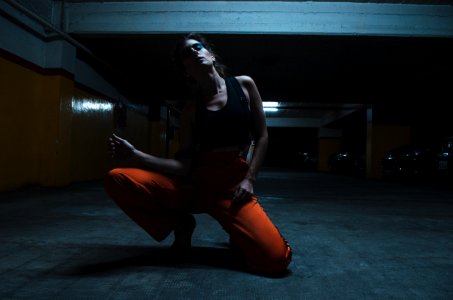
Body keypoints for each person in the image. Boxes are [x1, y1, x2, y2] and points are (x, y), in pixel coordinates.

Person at [104, 33, 292, 276]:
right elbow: (183, 167)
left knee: (276, 261)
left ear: (211, 55)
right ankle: (181, 223)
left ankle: (237, 230)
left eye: (198, 47)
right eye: (186, 53)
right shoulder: (191, 111)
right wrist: (135, 156)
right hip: (194, 187)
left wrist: (250, 179)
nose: (194, 52)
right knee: (117, 178)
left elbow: (262, 136)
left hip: (231, 191)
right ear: (186, 70)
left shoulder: (244, 85)